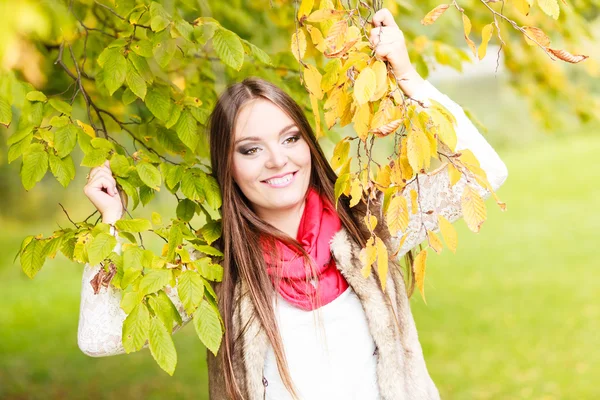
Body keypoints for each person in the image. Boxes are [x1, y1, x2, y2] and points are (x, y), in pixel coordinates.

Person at [79, 8, 508, 400]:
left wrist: (409, 79)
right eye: (250, 149)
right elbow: (102, 337)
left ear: (308, 143)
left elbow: (484, 171)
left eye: (290, 139)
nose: (278, 160)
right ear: (226, 166)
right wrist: (110, 226)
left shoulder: (368, 225)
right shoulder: (216, 264)